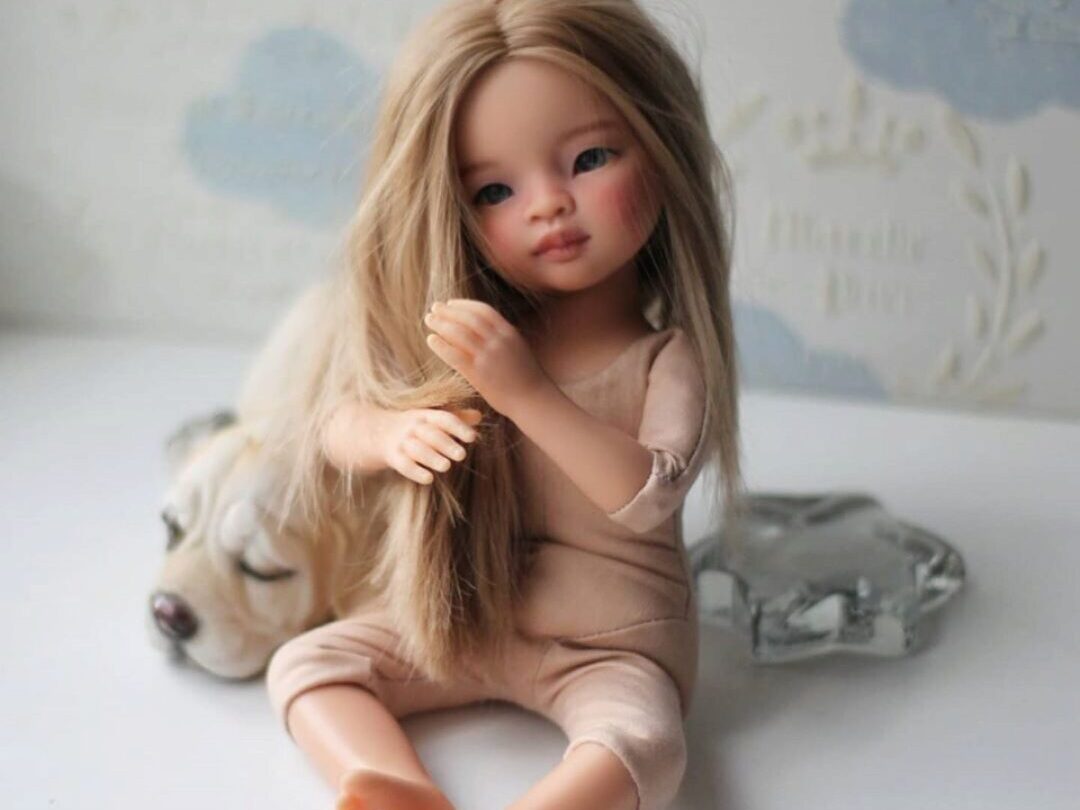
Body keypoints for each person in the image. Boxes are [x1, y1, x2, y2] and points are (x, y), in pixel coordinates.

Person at [264, 1, 742, 807]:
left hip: (610, 643)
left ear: (663, 150)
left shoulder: (664, 358)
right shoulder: (466, 330)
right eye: (493, 190)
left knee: (644, 743)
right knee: (307, 664)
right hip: (470, 616)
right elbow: (335, 422)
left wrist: (525, 391)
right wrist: (389, 434)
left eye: (590, 158)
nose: (548, 204)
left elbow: (647, 493)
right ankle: (388, 786)